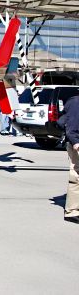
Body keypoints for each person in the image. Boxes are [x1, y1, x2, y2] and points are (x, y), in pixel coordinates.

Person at [59, 94, 79, 223]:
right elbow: (71, 129)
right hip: (76, 143)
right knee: (76, 176)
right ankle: (72, 211)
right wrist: (76, 144)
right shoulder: (76, 102)